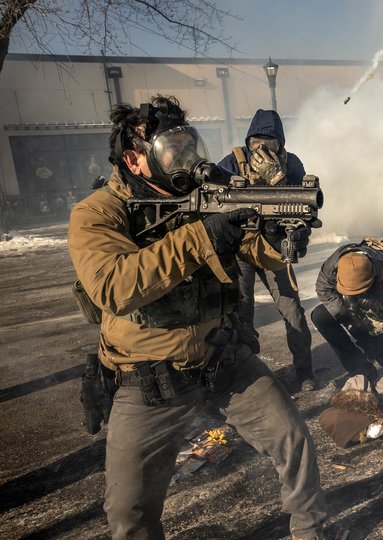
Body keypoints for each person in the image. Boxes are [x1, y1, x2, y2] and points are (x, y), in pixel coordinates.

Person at [67, 96, 326, 540]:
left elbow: (253, 250)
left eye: (191, 146)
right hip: (147, 379)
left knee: (293, 439)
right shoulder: (97, 213)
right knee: (128, 512)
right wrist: (204, 236)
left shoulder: (204, 195)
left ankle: (312, 531)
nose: (187, 159)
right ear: (135, 158)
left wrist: (276, 237)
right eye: (173, 150)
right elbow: (114, 286)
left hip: (222, 359)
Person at [218, 109, 315, 392]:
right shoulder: (233, 162)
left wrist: (279, 182)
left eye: (268, 144)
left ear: (279, 144)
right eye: (255, 143)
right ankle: (249, 380)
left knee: (293, 311)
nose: (260, 150)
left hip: (274, 248)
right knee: (241, 313)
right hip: (241, 247)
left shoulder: (291, 163)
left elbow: (306, 206)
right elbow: (214, 197)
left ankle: (305, 371)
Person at [311, 238, 383, 382]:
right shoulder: (336, 263)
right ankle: (360, 370)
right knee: (321, 316)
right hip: (359, 308)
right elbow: (323, 289)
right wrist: (349, 318)